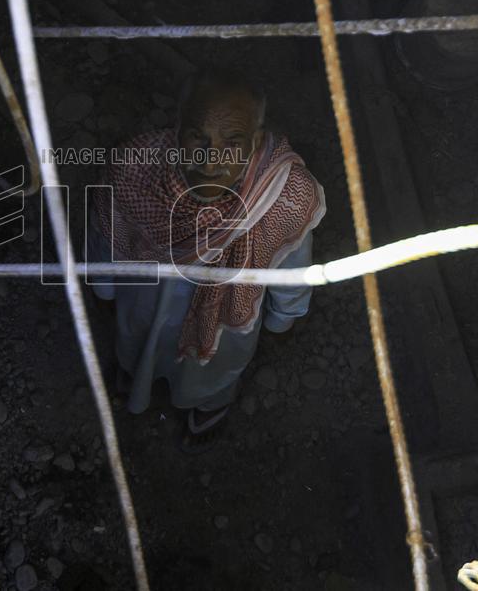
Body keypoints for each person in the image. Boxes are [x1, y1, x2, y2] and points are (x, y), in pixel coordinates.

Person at [87, 68, 326, 453]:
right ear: (177, 129)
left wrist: (284, 318)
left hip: (224, 327)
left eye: (233, 141)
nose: (210, 161)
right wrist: (105, 288)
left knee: (210, 376)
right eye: (198, 137)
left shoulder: (285, 196)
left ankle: (207, 408)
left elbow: (292, 268)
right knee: (139, 348)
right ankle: (135, 381)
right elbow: (106, 240)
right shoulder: (132, 172)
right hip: (145, 303)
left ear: (256, 142)